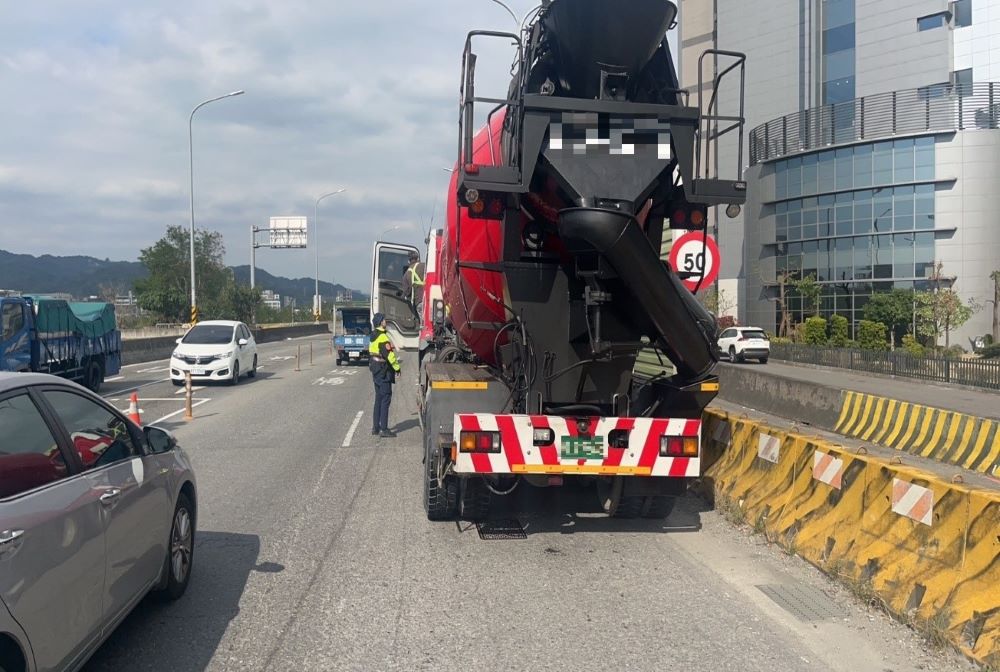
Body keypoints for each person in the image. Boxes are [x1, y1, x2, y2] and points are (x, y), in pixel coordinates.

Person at [368, 312, 400, 437]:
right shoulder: (382, 337)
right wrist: (397, 368)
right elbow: (390, 356)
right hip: (383, 370)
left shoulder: (373, 335)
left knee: (378, 399)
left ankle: (375, 428)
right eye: (384, 320)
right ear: (380, 322)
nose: (385, 321)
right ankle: (384, 429)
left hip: (375, 369)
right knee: (386, 398)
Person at [401, 250, 425, 321]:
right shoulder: (425, 266)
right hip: (431, 300)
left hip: (419, 301)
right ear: (418, 259)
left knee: (423, 325)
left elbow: (407, 292)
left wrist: (402, 295)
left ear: (409, 261)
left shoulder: (407, 274)